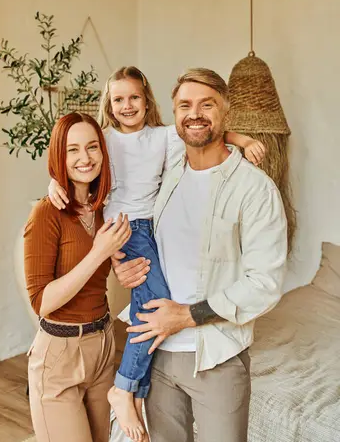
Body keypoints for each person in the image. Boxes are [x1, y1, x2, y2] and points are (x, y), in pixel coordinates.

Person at [49, 66, 266, 441]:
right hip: (122, 226)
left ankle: (131, 386)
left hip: (151, 224)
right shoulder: (103, 137)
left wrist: (242, 139)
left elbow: (201, 134)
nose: (127, 105)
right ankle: (125, 387)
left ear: (146, 100)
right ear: (109, 104)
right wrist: (54, 180)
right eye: (119, 99)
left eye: (134, 97)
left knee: (151, 300)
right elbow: (74, 156)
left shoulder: (164, 136)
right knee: (155, 306)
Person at [112, 67, 288, 442]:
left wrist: (188, 316)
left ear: (226, 113)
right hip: (156, 355)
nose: (195, 113)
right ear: (174, 114)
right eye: (184, 105)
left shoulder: (255, 189)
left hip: (217, 358)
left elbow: (265, 284)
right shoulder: (167, 177)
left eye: (206, 104)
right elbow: (142, 237)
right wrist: (122, 267)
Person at [24, 112, 131, 442]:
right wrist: (99, 251)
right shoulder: (46, 212)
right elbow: (42, 302)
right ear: (59, 154)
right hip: (60, 353)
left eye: (92, 147)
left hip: (102, 344)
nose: (85, 158)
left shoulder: (106, 209)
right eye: (72, 150)